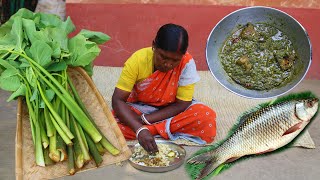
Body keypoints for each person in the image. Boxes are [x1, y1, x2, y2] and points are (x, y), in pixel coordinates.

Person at [112, 23, 216, 154]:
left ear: (182, 56)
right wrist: (139, 128)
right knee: (110, 123)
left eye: (175, 60)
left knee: (205, 117)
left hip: (171, 110)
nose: (168, 64)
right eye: (163, 57)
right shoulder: (137, 60)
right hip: (140, 107)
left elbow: (182, 103)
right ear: (154, 46)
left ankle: (148, 131)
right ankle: (154, 131)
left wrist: (143, 122)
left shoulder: (187, 63)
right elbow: (118, 100)